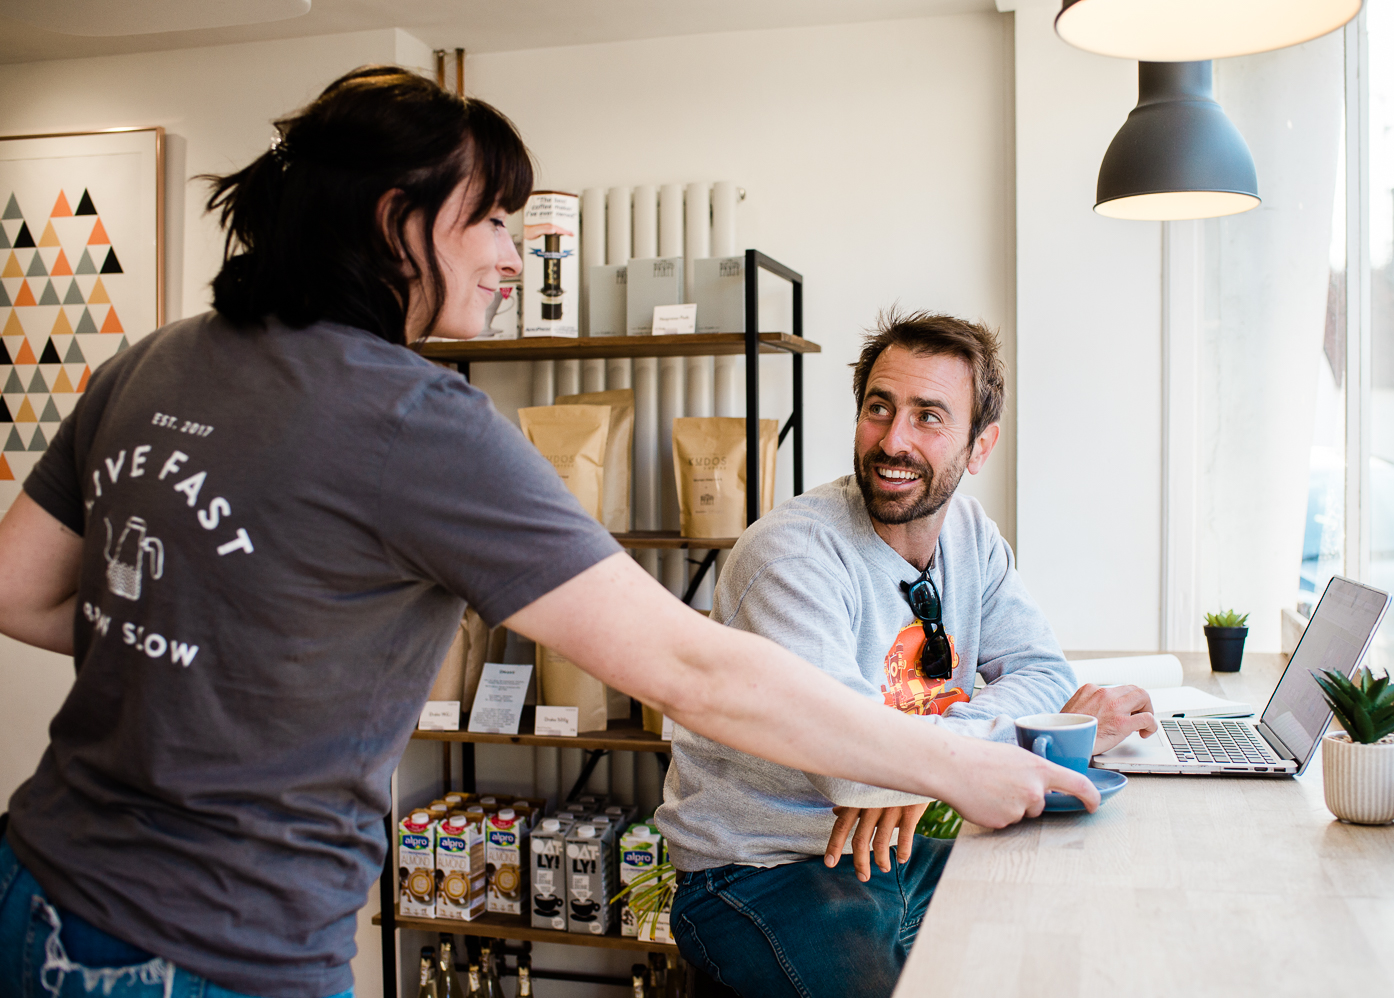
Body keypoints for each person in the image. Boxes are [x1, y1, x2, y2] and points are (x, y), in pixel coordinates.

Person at [0, 69, 1097, 998]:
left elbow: (25, 592)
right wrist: (956, 761)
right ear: (396, 221)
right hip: (211, 946)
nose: (514, 258)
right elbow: (688, 665)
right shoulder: (413, 420)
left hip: (31, 878)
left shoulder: (154, 358)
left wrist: (215, 655)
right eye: (492, 220)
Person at [656, 310, 1158, 998]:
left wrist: (921, 764)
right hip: (759, 873)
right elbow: (855, 764)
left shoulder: (971, 536)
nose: (893, 441)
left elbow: (1043, 672)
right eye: (879, 409)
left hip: (889, 853)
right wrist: (1037, 741)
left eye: (928, 417)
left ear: (980, 447)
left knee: (1059, 934)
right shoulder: (792, 558)